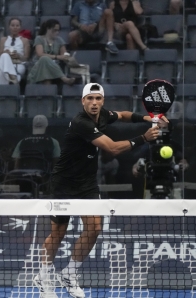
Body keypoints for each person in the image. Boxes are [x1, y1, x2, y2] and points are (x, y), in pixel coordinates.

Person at [32, 83, 161, 298]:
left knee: (94, 227)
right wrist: (143, 138)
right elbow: (112, 147)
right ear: (83, 101)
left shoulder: (102, 115)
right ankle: (44, 278)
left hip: (87, 184)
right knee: (58, 233)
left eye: (98, 99)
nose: (94, 103)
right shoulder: (81, 122)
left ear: (102, 101)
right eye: (90, 99)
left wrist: (145, 118)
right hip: (64, 184)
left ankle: (69, 274)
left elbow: (122, 115)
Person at [27, 19, 75, 85]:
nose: (57, 32)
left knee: (47, 71)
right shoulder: (39, 38)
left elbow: (64, 55)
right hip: (38, 65)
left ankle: (48, 92)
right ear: (48, 29)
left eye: (58, 30)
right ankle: (64, 78)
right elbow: (40, 54)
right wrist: (57, 57)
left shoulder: (59, 40)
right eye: (54, 30)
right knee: (44, 59)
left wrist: (67, 58)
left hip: (53, 67)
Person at [0, 17, 30, 85]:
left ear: (20, 27)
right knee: (4, 55)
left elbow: (26, 58)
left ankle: (2, 92)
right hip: (4, 62)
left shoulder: (25, 40)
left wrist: (19, 56)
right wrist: (5, 53)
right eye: (13, 25)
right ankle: (13, 77)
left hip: (18, 64)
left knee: (1, 72)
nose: (15, 27)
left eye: (17, 26)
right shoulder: (3, 39)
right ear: (9, 27)